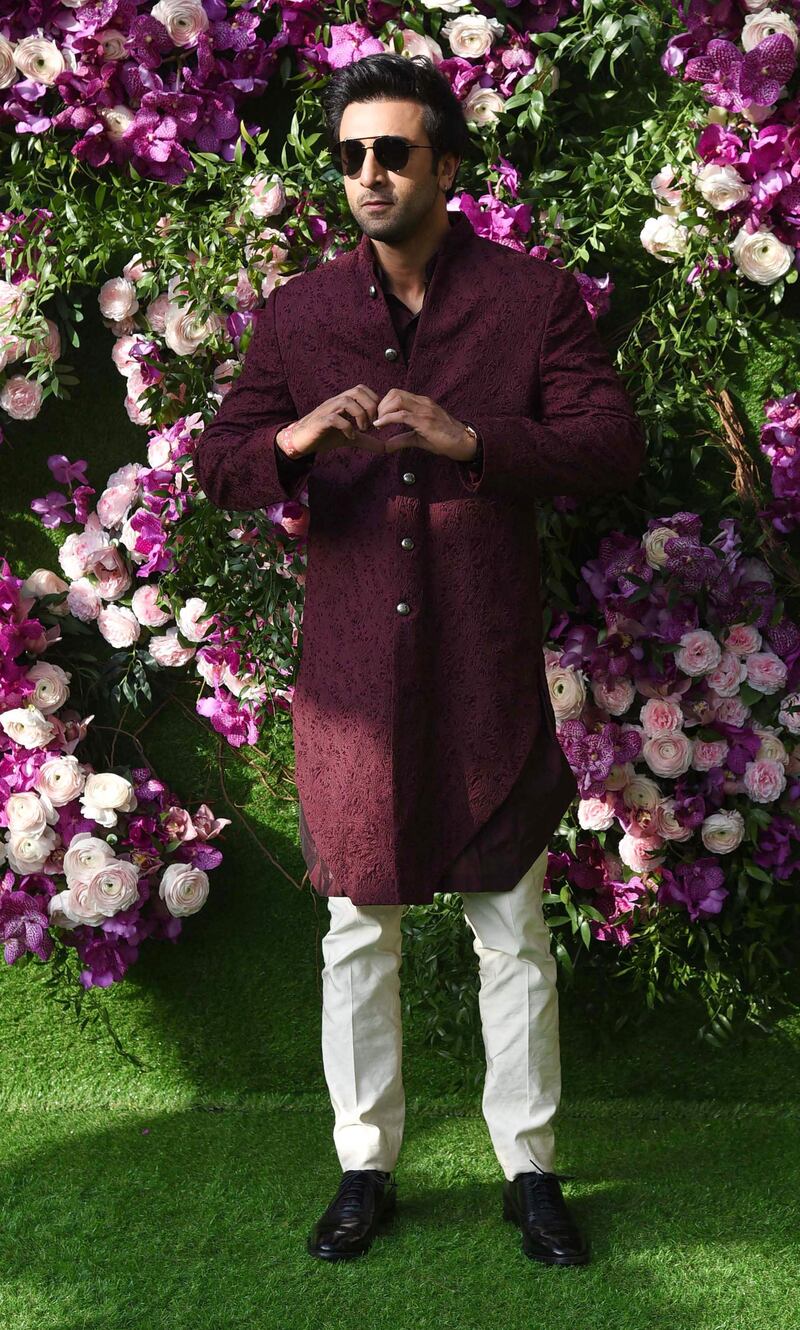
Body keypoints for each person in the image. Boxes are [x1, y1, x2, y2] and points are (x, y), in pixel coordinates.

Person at [195, 53, 646, 1268]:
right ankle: (363, 1164)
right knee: (357, 927)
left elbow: (608, 442)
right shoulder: (299, 313)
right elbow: (223, 462)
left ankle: (531, 1172)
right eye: (349, 156)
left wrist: (471, 438)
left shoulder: (531, 299)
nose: (368, 175)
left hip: (479, 658)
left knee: (511, 923)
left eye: (392, 151)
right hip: (349, 678)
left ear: (446, 165)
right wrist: (291, 436)